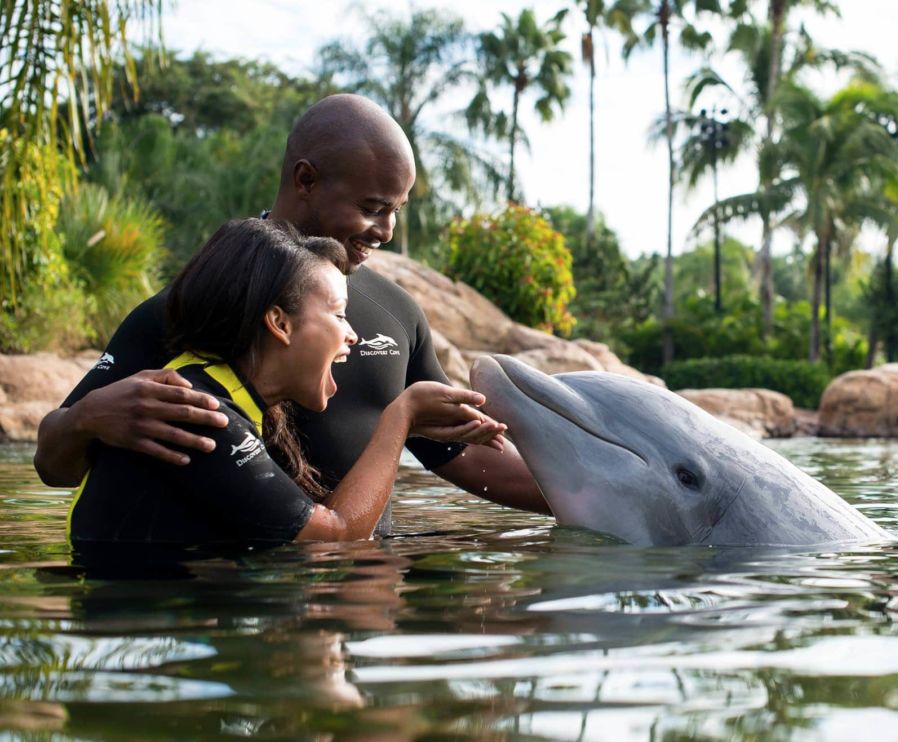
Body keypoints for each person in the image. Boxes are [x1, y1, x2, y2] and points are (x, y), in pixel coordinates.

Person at [34, 94, 549, 531]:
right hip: (245, 597)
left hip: (363, 599)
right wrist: (84, 420)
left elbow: (460, 452)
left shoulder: (395, 312)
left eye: (396, 210)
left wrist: (598, 500)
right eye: (372, 208)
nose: (387, 231)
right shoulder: (187, 309)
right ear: (306, 180)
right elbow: (53, 466)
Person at [70, 218, 505, 547]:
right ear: (279, 322)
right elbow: (335, 536)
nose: (351, 333)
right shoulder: (201, 412)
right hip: (133, 622)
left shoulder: (221, 389)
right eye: (338, 315)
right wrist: (401, 416)